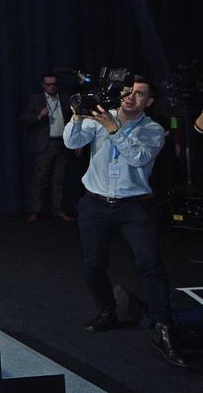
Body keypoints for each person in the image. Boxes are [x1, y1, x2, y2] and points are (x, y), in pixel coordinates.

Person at [64, 76, 188, 368]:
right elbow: (72, 142)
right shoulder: (99, 119)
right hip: (95, 203)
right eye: (127, 91)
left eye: (140, 93)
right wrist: (77, 117)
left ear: (150, 101)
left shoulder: (153, 129)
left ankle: (163, 328)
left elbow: (138, 158)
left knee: (149, 263)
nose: (131, 96)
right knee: (93, 265)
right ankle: (108, 310)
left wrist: (113, 128)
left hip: (133, 207)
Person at [20, 73, 75, 221]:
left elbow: (74, 119)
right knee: (39, 179)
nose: (51, 87)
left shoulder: (65, 99)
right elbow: (24, 118)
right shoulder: (36, 99)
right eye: (48, 84)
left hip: (62, 144)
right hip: (45, 144)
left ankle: (58, 209)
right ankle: (34, 210)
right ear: (43, 85)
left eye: (54, 84)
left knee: (60, 179)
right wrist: (39, 116)